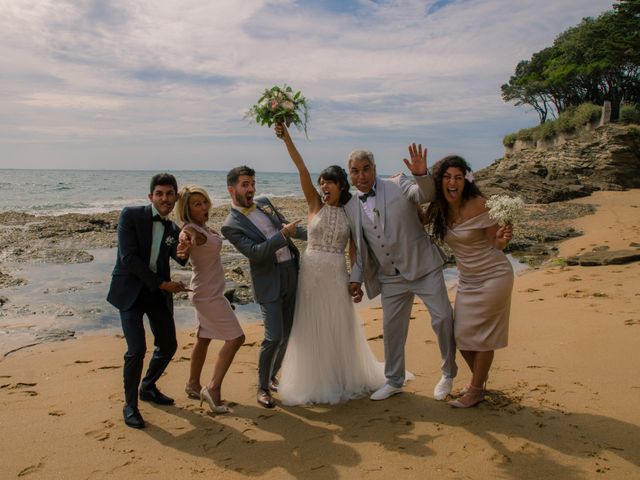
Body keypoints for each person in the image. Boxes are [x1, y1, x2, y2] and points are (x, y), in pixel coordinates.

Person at [274, 123, 386, 405]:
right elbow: (301, 169)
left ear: (341, 185)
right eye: (321, 182)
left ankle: (339, 376)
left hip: (336, 273)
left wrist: (354, 280)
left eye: (329, 182)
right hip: (311, 273)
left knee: (338, 325)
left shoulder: (351, 211)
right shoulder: (314, 204)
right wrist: (287, 138)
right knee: (311, 325)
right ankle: (314, 380)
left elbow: (353, 250)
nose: (323, 186)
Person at [344, 146, 457, 401]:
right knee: (392, 330)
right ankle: (394, 380)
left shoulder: (398, 183)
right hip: (390, 276)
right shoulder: (351, 206)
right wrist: (355, 280)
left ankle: (448, 374)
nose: (361, 176)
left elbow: (425, 194)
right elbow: (361, 252)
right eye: (355, 171)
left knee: (443, 319)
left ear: (374, 169)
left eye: (365, 169)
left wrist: (421, 174)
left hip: (423, 267)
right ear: (349, 175)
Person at [424, 155, 514, 408]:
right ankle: (479, 382)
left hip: (493, 276)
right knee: (461, 337)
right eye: (447, 177)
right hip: (468, 280)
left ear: (466, 181)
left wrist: (502, 237)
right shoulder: (439, 208)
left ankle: (475, 389)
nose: (453, 182)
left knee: (483, 336)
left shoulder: (479, 204)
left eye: (458, 177)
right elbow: (414, 218)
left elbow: (496, 243)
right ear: (440, 181)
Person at [107, 173, 190, 429]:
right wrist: (163, 283)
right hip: (131, 292)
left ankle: (148, 386)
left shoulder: (173, 228)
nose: (165, 199)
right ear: (151, 196)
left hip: (156, 296)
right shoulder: (130, 216)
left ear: (176, 197)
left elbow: (180, 259)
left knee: (168, 344)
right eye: (159, 194)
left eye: (169, 194)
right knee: (136, 350)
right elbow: (128, 259)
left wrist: (186, 246)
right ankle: (130, 405)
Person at [221, 166, 307, 409]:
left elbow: (290, 227)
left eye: (252, 184)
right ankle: (261, 387)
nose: (251, 189)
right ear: (232, 189)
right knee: (273, 336)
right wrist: (282, 235)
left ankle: (271, 377)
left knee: (289, 333)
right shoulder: (230, 225)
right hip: (268, 282)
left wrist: (318, 234)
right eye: (245, 184)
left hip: (292, 272)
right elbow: (256, 253)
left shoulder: (264, 203)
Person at [175, 185, 245, 414]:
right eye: (197, 204)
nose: (204, 207)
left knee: (203, 338)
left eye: (204, 202)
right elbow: (186, 239)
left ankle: (193, 384)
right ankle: (212, 389)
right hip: (208, 296)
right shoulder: (190, 230)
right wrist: (184, 246)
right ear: (187, 209)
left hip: (205, 291)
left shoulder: (203, 227)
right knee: (236, 338)